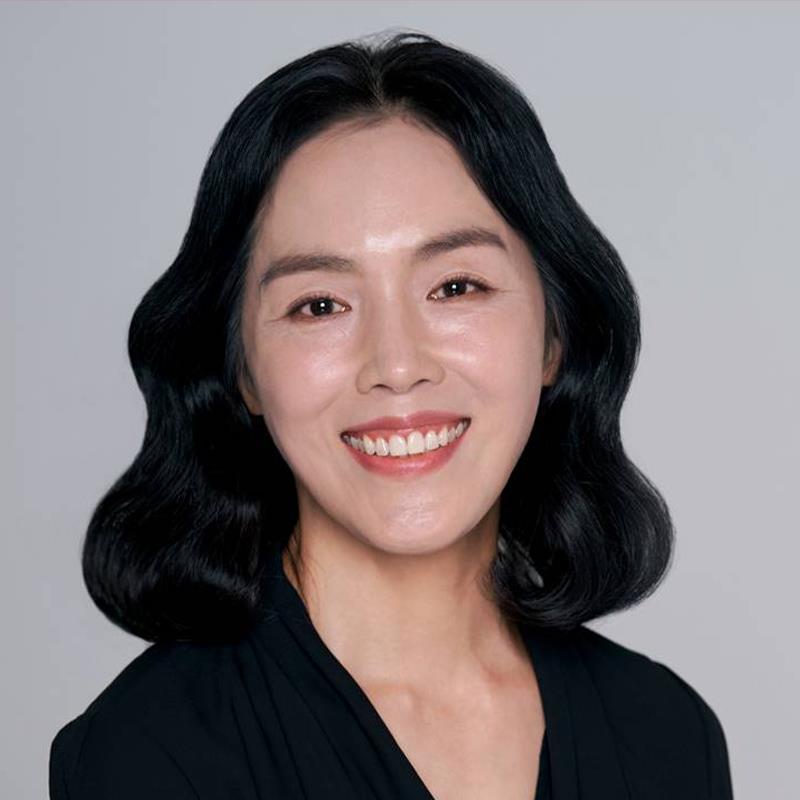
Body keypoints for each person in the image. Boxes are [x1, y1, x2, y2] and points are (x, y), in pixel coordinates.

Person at [49, 30, 734, 800]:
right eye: (319, 305)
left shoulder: (667, 736)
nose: (397, 365)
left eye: (456, 287)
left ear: (554, 337)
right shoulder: (149, 754)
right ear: (242, 371)